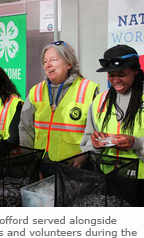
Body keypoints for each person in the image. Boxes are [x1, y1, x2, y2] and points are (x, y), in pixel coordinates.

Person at [80, 44, 144, 207]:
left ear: (135, 70)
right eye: (111, 75)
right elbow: (86, 142)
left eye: (122, 74)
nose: (115, 80)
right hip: (110, 181)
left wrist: (136, 143)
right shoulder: (99, 101)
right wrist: (95, 144)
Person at [19, 41, 99, 179]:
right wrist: (30, 162)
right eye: (45, 61)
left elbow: (98, 130)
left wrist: (85, 155)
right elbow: (25, 128)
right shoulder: (36, 91)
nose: (47, 65)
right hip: (42, 164)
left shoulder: (89, 90)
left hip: (75, 166)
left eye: (54, 60)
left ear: (69, 63)